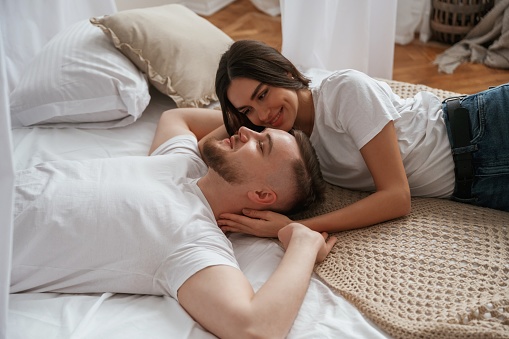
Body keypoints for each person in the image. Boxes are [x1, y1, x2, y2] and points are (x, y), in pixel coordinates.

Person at [11, 108, 336, 339]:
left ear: (262, 194)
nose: (244, 130)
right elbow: (176, 117)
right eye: (257, 130)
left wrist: (303, 245)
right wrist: (251, 112)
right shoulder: (183, 161)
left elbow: (253, 328)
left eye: (261, 145)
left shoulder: (193, 240)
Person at [198, 39, 509, 237]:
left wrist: (295, 229)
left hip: (486, 128)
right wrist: (239, 118)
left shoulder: (344, 91)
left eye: (263, 94)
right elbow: (206, 147)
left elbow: (396, 198)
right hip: (483, 188)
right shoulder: (283, 143)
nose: (263, 115)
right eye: (248, 109)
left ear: (287, 73)